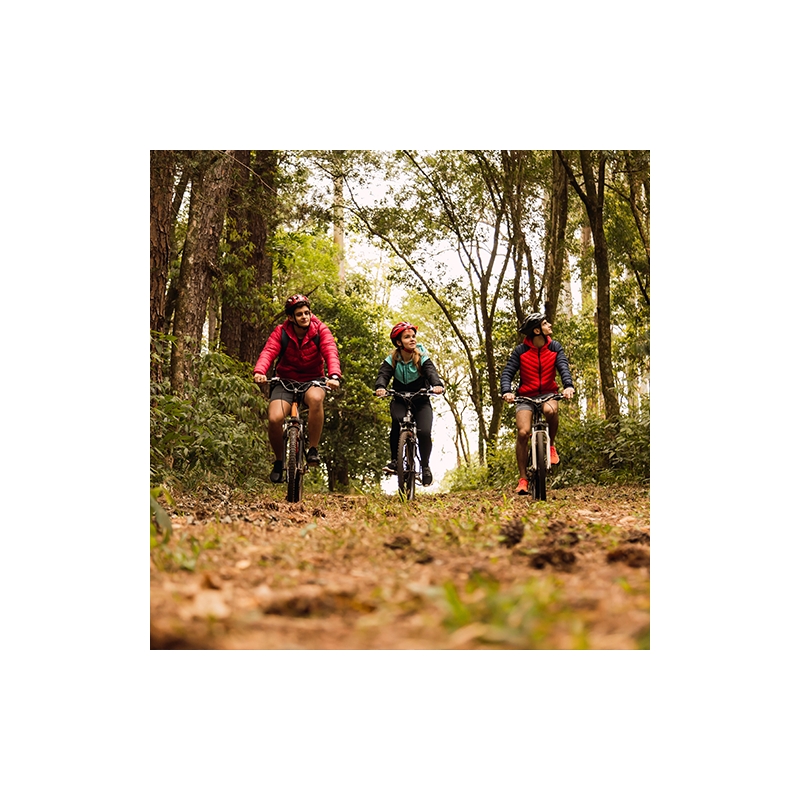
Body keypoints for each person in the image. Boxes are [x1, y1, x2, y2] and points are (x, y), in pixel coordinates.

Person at [253, 294, 342, 483]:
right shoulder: (281, 332)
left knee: (316, 399)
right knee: (274, 418)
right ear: (291, 318)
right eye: (299, 314)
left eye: (307, 313)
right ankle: (279, 461)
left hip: (313, 380)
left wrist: (334, 375)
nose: (304, 317)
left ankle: (313, 449)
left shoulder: (320, 330)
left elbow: (330, 351)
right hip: (285, 380)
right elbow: (269, 351)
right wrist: (260, 371)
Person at [500, 312, 575, 495]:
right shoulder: (521, 351)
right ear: (536, 330)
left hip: (548, 393)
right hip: (526, 396)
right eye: (545, 323)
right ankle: (523, 479)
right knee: (523, 432)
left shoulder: (555, 347)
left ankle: (551, 446)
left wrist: (568, 386)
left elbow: (563, 367)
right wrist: (507, 391)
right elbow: (508, 372)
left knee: (551, 411)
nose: (549, 325)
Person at [374, 322, 444, 487]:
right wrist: (380, 387)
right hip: (400, 400)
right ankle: (394, 461)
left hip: (421, 400)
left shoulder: (422, 357)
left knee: (424, 432)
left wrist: (437, 385)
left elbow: (431, 372)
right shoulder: (392, 359)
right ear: (399, 342)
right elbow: (383, 374)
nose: (412, 339)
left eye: (413, 336)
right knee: (396, 424)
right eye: (407, 337)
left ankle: (425, 466)